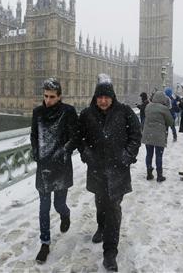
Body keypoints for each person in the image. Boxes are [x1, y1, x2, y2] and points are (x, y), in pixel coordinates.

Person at [78, 74, 141, 272]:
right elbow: (80, 138)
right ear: (95, 98)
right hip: (97, 169)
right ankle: (100, 226)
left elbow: (136, 135)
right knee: (100, 202)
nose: (103, 101)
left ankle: (110, 252)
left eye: (106, 97)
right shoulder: (87, 114)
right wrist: (87, 154)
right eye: (100, 97)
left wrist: (127, 155)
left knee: (113, 208)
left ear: (112, 97)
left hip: (118, 171)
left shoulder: (125, 112)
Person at [30, 78, 79, 264]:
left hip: (61, 165)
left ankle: (65, 214)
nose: (48, 100)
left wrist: (63, 152)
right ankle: (45, 243)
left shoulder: (68, 112)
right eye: (45, 96)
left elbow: (75, 137)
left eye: (52, 97)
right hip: (43, 167)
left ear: (60, 97)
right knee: (43, 207)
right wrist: (36, 153)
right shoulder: (38, 112)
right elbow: (34, 135)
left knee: (59, 204)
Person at [141, 91, 175, 182]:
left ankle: (149, 173)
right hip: (159, 135)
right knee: (158, 155)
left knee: (149, 154)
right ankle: (159, 176)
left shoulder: (148, 106)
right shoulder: (164, 109)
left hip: (148, 134)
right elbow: (170, 122)